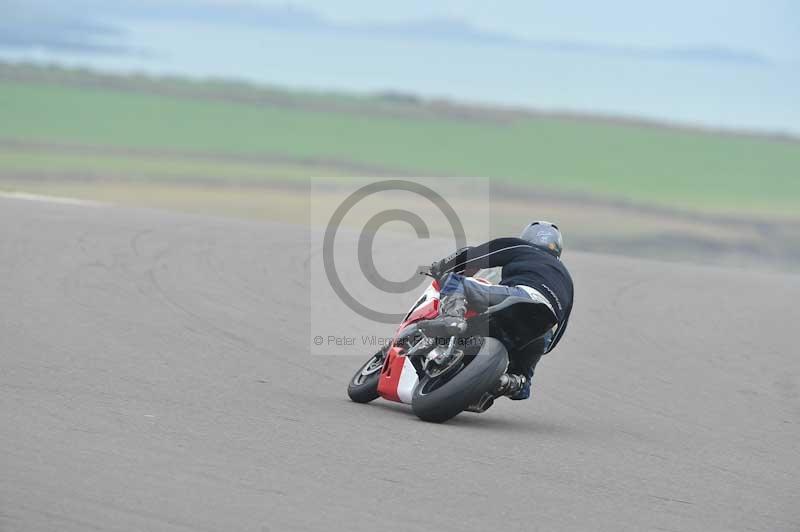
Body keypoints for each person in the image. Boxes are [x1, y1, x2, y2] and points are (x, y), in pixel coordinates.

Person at [423, 221, 574, 406]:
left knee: (455, 281)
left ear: (528, 237)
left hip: (520, 296)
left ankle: (452, 319)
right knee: (524, 370)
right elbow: (560, 329)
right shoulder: (566, 278)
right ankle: (514, 382)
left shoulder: (521, 247)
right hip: (545, 323)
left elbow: (475, 256)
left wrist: (440, 268)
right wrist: (539, 348)